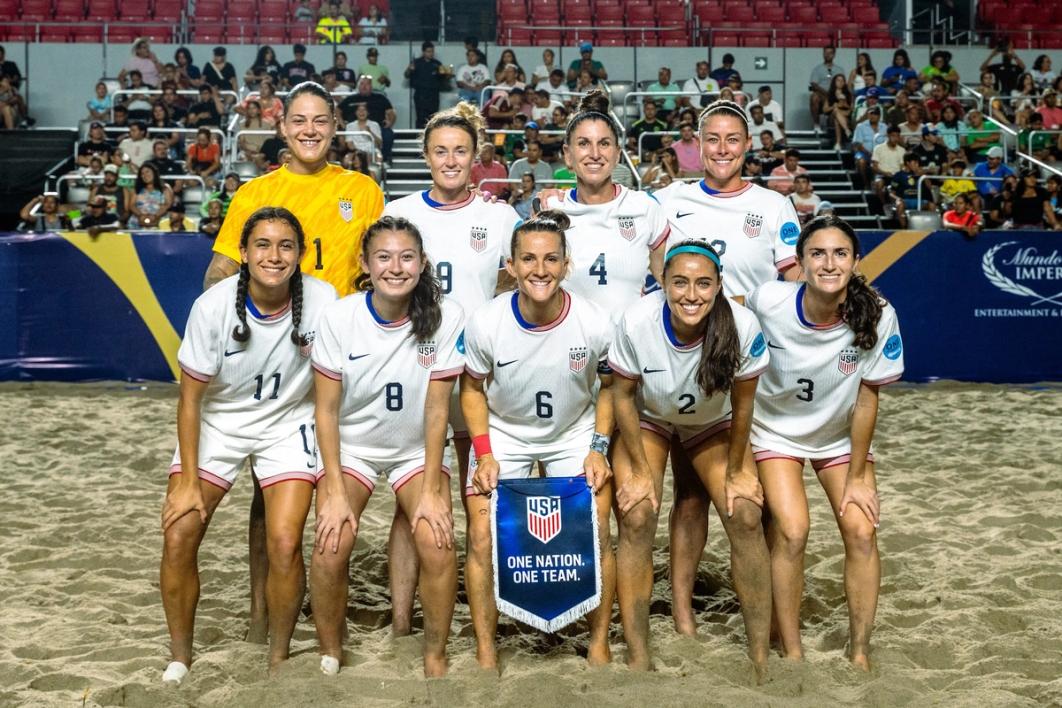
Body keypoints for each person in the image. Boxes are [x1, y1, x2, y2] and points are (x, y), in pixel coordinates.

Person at [203, 83, 384, 641]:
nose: (310, 129)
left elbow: (377, 269)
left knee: (338, 486)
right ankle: (265, 614)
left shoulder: (363, 190)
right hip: (279, 365)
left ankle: (326, 601)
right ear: (281, 128)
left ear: (335, 127)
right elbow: (217, 275)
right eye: (299, 120)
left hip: (343, 361)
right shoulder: (256, 193)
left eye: (320, 120)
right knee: (270, 493)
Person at [160, 207, 337, 685]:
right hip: (219, 422)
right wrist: (188, 483)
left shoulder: (323, 301)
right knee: (179, 532)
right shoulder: (213, 306)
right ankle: (180, 657)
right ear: (242, 253)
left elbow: (330, 390)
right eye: (262, 245)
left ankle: (277, 656)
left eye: (285, 246)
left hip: (287, 422)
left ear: (301, 254)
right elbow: (190, 401)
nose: (274, 256)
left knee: (283, 541)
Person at [653, 99, 800, 635]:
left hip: (742, 369)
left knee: (749, 502)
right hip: (676, 364)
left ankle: (758, 606)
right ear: (697, 144)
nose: (721, 149)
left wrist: (742, 307)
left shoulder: (775, 207)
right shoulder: (669, 200)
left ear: (748, 145)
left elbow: (792, 284)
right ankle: (684, 609)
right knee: (688, 496)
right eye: (711, 138)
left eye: (732, 139)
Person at [382, 106, 520, 635]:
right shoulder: (400, 212)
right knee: (414, 494)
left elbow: (514, 289)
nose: (450, 160)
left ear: (477, 156)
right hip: (420, 369)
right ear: (425, 156)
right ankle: (401, 620)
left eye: (460, 150)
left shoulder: (500, 216)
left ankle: (491, 605)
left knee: (482, 490)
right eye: (440, 151)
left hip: (483, 376)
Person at [460, 210, 616, 669]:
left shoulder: (593, 322)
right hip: (506, 433)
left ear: (567, 265)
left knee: (598, 528)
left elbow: (611, 388)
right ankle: (487, 649)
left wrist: (598, 448)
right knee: (481, 533)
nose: (540, 270)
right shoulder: (487, 322)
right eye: (528, 259)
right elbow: (471, 390)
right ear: (511, 265)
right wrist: (484, 454)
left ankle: (599, 641)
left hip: (573, 432)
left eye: (551, 259)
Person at [749, 214, 904, 671]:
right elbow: (728, 320)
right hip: (775, 432)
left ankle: (859, 651)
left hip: (838, 439)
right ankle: (792, 649)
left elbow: (865, 403)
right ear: (798, 262)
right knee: (793, 530)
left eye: (840, 253)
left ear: (856, 261)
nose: (829, 263)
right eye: (817, 253)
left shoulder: (878, 313)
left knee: (861, 530)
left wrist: (859, 476)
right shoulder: (768, 300)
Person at [309, 216, 461, 678]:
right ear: (365, 263)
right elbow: (326, 412)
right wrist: (333, 488)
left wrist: (434, 487)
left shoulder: (446, 316)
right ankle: (331, 652)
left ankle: (434, 653)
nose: (396, 267)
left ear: (422, 263)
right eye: (383, 256)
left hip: (416, 450)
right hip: (353, 447)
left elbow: (438, 411)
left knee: (438, 542)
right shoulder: (340, 317)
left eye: (407, 256)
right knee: (331, 543)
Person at [609, 239, 771, 671]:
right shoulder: (636, 320)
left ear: (719, 285)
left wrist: (737, 469)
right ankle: (638, 653)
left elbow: (744, 404)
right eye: (679, 282)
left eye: (703, 283)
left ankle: (759, 656)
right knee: (638, 510)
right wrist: (641, 471)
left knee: (746, 513)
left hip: (711, 420)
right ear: (662, 282)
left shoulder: (742, 325)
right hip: (650, 417)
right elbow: (621, 396)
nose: (691, 294)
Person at [541, 90, 668, 316]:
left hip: (630, 346)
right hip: (568, 346)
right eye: (583, 144)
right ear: (568, 155)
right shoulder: (549, 210)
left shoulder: (644, 208)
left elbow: (669, 282)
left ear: (618, 154)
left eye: (604, 143)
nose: (595, 154)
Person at [338, 76, 396, 162]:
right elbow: (337, 110)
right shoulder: (350, 99)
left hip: (376, 127)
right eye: (362, 84)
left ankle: (385, 159)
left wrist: (390, 122)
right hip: (353, 128)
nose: (364, 86)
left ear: (371, 86)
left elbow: (391, 112)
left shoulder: (380, 98)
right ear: (358, 86)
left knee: (388, 134)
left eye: (367, 84)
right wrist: (341, 122)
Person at [405, 41, 449, 129]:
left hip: (433, 94)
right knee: (421, 117)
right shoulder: (416, 62)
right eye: (428, 51)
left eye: (432, 51)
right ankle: (418, 138)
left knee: (434, 117)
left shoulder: (437, 63)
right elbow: (406, 75)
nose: (431, 53)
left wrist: (447, 75)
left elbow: (443, 78)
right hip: (420, 94)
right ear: (423, 52)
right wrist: (410, 69)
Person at [888, 153, 934, 227]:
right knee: (899, 205)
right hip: (905, 201)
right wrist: (898, 199)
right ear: (908, 163)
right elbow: (891, 193)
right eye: (914, 162)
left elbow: (929, 187)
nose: (917, 165)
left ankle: (931, 228)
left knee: (931, 205)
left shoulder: (921, 175)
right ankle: (904, 228)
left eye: (917, 163)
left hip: (919, 201)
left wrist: (923, 176)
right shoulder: (899, 175)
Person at [125, 162, 174, 229]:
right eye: (142, 173)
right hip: (140, 218)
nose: (145, 175)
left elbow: (168, 204)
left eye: (147, 172)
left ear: (154, 172)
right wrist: (140, 215)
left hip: (159, 217)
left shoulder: (165, 188)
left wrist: (156, 216)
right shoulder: (137, 189)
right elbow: (132, 205)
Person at [809, 46, 845, 127]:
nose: (827, 55)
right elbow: (814, 84)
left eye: (830, 53)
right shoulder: (817, 69)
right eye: (826, 53)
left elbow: (843, 84)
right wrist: (827, 93)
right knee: (814, 97)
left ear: (834, 55)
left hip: (836, 96)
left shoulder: (839, 70)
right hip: (822, 96)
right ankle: (816, 125)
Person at [852, 106, 886, 186]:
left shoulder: (884, 127)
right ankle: (865, 183)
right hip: (864, 153)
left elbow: (886, 142)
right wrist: (870, 154)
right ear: (868, 115)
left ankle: (877, 182)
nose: (872, 116)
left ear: (879, 116)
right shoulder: (860, 126)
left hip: (880, 153)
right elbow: (858, 144)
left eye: (875, 114)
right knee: (861, 161)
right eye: (871, 114)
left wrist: (877, 154)